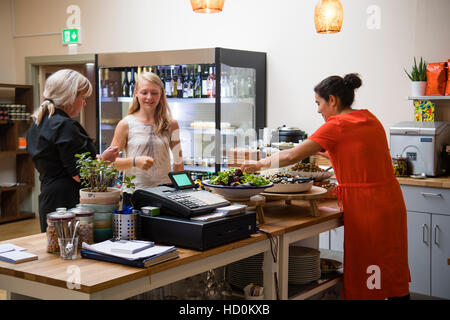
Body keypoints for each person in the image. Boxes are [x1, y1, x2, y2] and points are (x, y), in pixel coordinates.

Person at [241, 73, 411, 300]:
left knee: (369, 276)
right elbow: (354, 156)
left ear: (333, 100)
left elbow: (292, 154)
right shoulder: (369, 118)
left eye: (318, 103)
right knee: (390, 269)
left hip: (368, 208)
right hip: (390, 202)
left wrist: (259, 164)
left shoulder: (337, 124)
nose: (318, 110)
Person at [27, 69, 119, 233]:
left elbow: (58, 161)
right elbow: (79, 174)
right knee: (72, 251)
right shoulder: (65, 125)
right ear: (70, 96)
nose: (84, 103)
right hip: (68, 201)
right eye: (83, 98)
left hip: (48, 197)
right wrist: (104, 159)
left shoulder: (38, 123)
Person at [110, 71, 184, 190]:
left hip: (165, 192)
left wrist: (184, 189)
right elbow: (110, 164)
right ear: (136, 93)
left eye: (154, 93)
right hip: (134, 193)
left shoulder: (171, 124)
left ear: (161, 94)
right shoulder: (125, 124)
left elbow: (179, 163)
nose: (149, 97)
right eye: (144, 92)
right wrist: (134, 162)